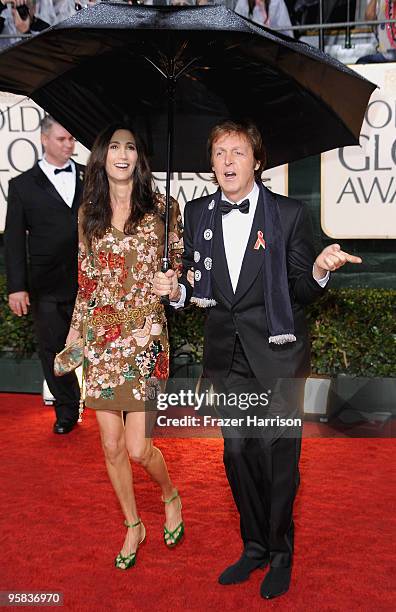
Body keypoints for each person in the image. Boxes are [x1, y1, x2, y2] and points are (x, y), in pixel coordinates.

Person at [153, 120, 362, 599]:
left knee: (278, 456)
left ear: (257, 161)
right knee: (237, 453)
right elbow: (196, 284)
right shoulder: (198, 213)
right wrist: (175, 289)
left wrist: (318, 268)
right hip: (226, 356)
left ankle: (281, 550)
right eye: (220, 153)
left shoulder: (288, 214)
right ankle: (253, 545)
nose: (228, 161)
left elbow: (300, 290)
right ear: (211, 164)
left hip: (278, 356)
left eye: (238, 152)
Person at [66, 124, 184, 569]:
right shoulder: (88, 213)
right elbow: (86, 282)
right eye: (114, 147)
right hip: (103, 337)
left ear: (139, 157)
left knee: (138, 448)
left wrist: (171, 283)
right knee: (111, 446)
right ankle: (133, 524)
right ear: (101, 156)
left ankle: (169, 494)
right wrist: (75, 334)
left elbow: (183, 271)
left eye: (130, 147)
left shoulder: (163, 208)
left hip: (145, 337)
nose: (122, 154)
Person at [4, 115, 84, 434]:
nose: (69, 145)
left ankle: (111, 406)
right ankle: (67, 410)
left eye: (72, 140)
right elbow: (12, 241)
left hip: (90, 282)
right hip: (45, 284)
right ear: (44, 139)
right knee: (53, 349)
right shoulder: (22, 185)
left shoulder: (91, 177)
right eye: (62, 139)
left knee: (100, 344)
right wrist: (17, 287)